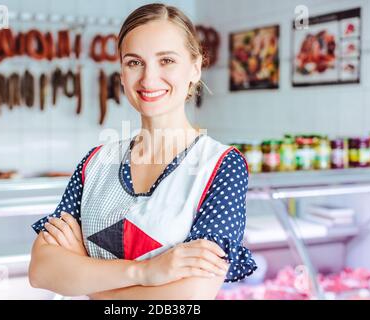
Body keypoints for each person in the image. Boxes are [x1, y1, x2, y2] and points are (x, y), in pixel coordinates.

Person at [28, 3, 257, 300]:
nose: (148, 79)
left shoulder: (221, 166)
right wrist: (147, 273)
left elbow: (190, 297)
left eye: (166, 61)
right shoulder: (95, 163)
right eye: (134, 62)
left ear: (195, 67)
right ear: (122, 72)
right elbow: (42, 271)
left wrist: (88, 277)